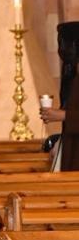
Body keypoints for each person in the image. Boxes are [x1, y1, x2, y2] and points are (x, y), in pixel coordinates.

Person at [41, 21, 79, 170]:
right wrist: (60, 143)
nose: (61, 49)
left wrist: (63, 115)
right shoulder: (73, 75)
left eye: (64, 42)